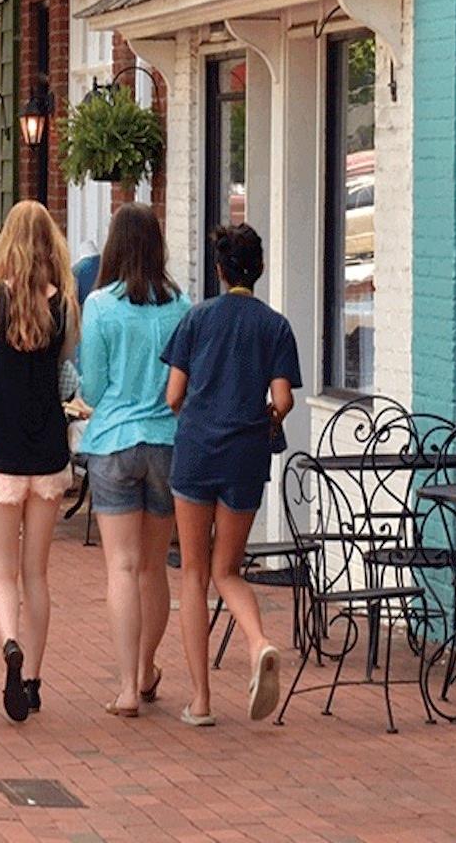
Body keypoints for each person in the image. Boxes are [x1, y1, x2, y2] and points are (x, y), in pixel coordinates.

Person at [164, 223, 298, 726]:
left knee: (194, 575)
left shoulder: (197, 319)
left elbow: (174, 395)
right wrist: (263, 418)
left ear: (219, 270)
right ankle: (259, 641)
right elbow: (282, 400)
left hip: (197, 450)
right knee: (229, 571)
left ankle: (200, 701)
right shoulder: (275, 326)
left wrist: (199, 418)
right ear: (259, 270)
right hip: (246, 456)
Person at [0, 200, 78, 723]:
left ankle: (8, 643)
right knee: (38, 573)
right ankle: (32, 679)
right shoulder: (64, 305)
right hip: (47, 448)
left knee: (1, 571)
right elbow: (65, 364)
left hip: (0, 448)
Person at [78, 202, 190, 718]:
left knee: (120, 568)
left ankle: (126, 687)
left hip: (115, 442)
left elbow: (95, 388)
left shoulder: (99, 305)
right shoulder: (181, 305)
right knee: (154, 569)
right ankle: (147, 668)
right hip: (168, 442)